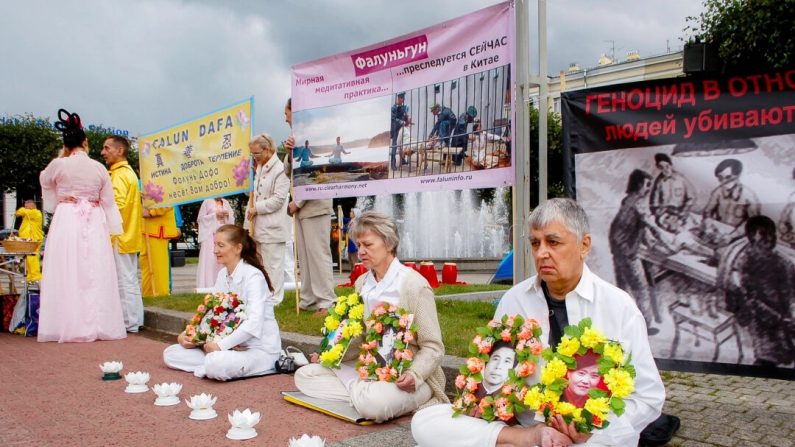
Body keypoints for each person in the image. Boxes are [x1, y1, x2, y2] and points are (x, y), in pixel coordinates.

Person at [412, 198, 665, 447]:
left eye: (553, 242)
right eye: (535, 243)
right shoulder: (514, 300)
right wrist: (484, 401)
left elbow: (648, 397)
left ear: (584, 245)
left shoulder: (618, 306)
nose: (542, 253)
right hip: (527, 431)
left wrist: (592, 433)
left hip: (594, 437)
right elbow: (496, 375)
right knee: (426, 420)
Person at [294, 211, 447, 423]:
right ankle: (365, 394)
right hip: (368, 368)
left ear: (389, 244)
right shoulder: (362, 283)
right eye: (359, 245)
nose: (361, 252)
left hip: (408, 377)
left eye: (368, 245)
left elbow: (434, 347)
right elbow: (360, 334)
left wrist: (415, 375)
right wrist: (330, 354)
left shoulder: (414, 285)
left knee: (373, 404)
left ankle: (370, 398)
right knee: (305, 376)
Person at [37, 109, 127, 343]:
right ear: (85, 142)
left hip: (67, 215)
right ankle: (98, 322)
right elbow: (108, 200)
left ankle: (66, 322)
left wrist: (56, 199)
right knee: (94, 269)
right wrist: (115, 227)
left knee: (67, 267)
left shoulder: (59, 164)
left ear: (65, 144)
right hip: (94, 217)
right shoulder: (99, 168)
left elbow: (44, 180)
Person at [163, 224, 282, 380]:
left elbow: (254, 323)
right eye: (215, 245)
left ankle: (214, 365)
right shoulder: (222, 275)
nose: (215, 250)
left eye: (221, 245)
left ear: (238, 248)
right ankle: (214, 364)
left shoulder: (253, 276)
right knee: (171, 353)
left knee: (216, 362)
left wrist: (220, 346)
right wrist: (188, 336)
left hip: (259, 350)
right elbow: (210, 315)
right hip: (230, 348)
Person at [284, 98, 336, 315]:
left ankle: (327, 301)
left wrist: (299, 201)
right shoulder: (295, 139)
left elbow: (314, 172)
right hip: (302, 208)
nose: (285, 118)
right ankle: (308, 299)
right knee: (304, 256)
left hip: (315, 204)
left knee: (318, 254)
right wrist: (289, 153)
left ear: (294, 112)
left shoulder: (313, 136)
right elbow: (290, 171)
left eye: (286, 113)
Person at [609, 169, 671, 332]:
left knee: (623, 290)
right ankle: (645, 327)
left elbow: (641, 228)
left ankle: (621, 325)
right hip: (626, 250)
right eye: (647, 184)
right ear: (639, 185)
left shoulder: (628, 200)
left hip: (618, 248)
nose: (649, 188)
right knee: (641, 289)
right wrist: (669, 242)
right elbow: (651, 225)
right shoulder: (638, 203)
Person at [735, 216, 795, 367]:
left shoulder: (782, 261)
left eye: (772, 233)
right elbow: (752, 301)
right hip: (764, 322)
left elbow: (792, 285)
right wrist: (781, 319)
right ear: (751, 237)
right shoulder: (746, 263)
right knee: (767, 360)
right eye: (763, 233)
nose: (769, 238)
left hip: (787, 317)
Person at [101, 136, 145, 332]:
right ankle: (135, 320)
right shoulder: (127, 173)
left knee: (124, 280)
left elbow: (114, 205)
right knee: (130, 280)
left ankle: (129, 322)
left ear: (119, 151)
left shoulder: (119, 175)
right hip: (128, 233)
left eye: (107, 148)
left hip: (119, 235)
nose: (103, 152)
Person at [246, 133, 290, 305]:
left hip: (274, 226)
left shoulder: (280, 169)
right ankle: (263, 296)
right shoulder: (258, 168)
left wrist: (256, 208)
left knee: (274, 265)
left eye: (256, 154)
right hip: (257, 226)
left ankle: (275, 299)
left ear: (268, 149)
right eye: (252, 154)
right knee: (260, 264)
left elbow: (279, 199)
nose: (254, 158)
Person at [703, 158, 761, 244]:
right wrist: (708, 226)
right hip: (717, 233)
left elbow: (753, 223)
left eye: (728, 177)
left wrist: (732, 236)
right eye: (720, 177)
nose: (723, 181)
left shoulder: (749, 196)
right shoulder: (718, 192)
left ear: (738, 175)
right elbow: (707, 211)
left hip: (738, 237)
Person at [649, 153, 694, 232]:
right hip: (664, 216)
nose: (665, 170)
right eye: (661, 167)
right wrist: (658, 213)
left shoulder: (681, 179)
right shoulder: (659, 182)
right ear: (658, 168)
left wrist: (683, 212)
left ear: (671, 165)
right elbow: (654, 202)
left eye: (667, 166)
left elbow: (692, 197)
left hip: (680, 214)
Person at [140, 206, 179, 297]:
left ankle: (161, 295)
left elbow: (169, 200)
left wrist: (152, 212)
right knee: (146, 264)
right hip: (145, 228)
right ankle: (147, 295)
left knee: (158, 266)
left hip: (158, 229)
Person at [196, 197, 234, 289]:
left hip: (224, 235)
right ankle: (209, 285)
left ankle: (223, 285)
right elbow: (200, 219)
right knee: (211, 260)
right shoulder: (206, 201)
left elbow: (232, 218)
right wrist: (214, 216)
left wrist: (227, 215)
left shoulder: (225, 202)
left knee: (223, 260)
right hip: (210, 236)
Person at [14, 199, 43, 282]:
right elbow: (19, 213)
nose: (25, 208)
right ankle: (30, 276)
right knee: (28, 258)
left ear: (32, 205)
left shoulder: (36, 213)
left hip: (34, 239)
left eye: (27, 206)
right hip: (27, 240)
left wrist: (23, 210)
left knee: (32, 257)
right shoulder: (27, 215)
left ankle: (36, 276)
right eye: (25, 206)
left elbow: (20, 211)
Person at [390, 92, 409, 170]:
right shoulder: (393, 108)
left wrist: (407, 118)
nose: (403, 100)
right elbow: (393, 118)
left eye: (404, 99)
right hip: (395, 130)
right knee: (394, 146)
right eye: (402, 99)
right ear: (398, 98)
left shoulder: (402, 108)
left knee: (402, 145)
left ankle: (403, 160)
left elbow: (404, 117)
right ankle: (393, 164)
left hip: (401, 129)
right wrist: (402, 122)